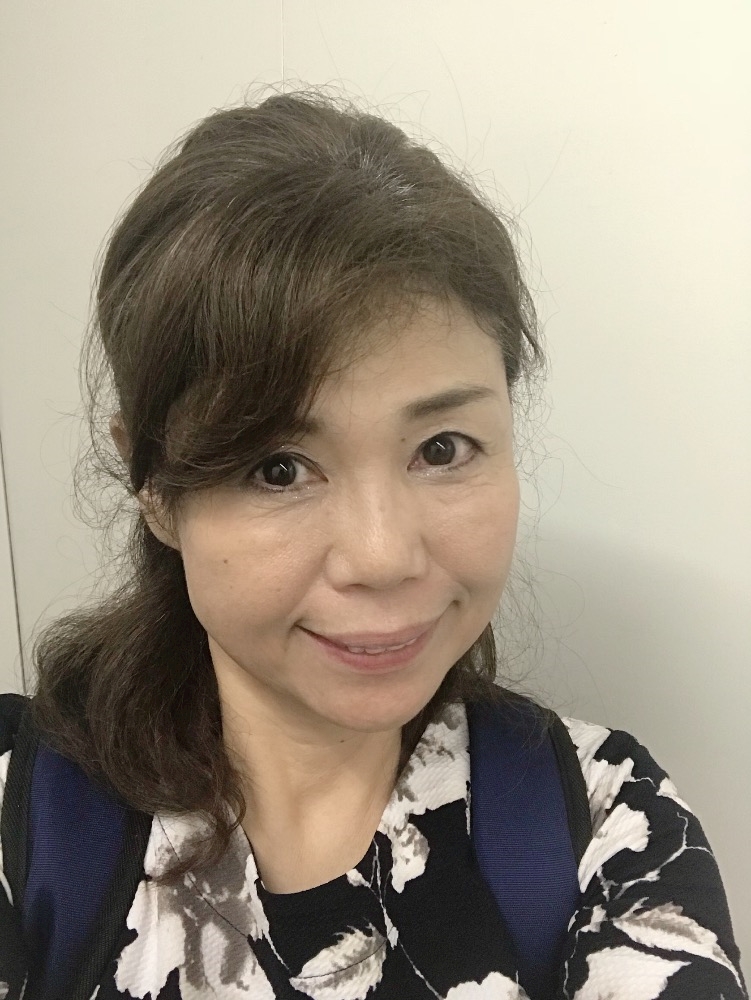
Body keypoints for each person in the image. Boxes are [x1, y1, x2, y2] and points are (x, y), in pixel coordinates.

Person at [0, 88, 746, 1000]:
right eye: (277, 468)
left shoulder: (606, 824)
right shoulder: (23, 823)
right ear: (154, 487)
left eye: (442, 449)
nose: (383, 556)